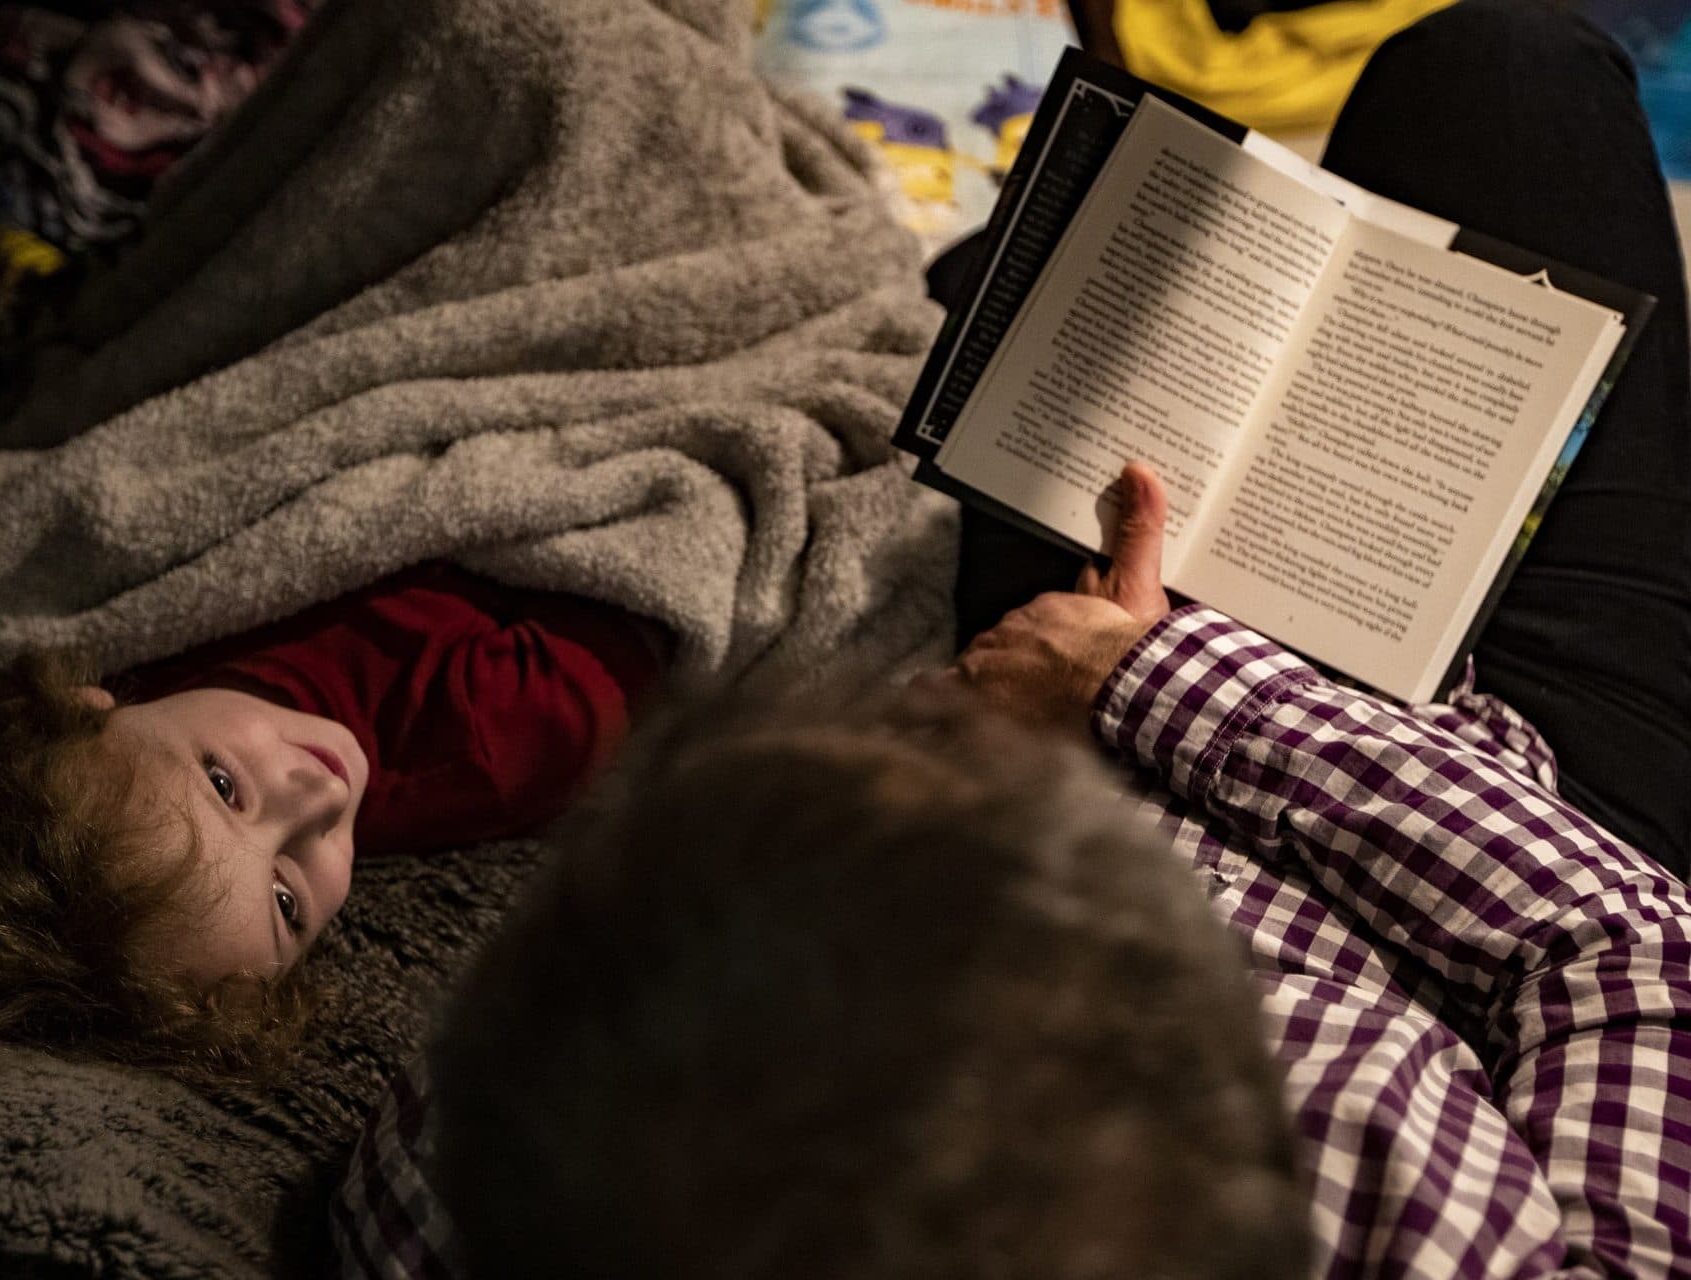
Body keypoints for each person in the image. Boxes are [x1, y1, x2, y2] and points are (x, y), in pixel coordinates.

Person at [332, 2, 1691, 1276]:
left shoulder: (506, 1155)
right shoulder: (1354, 1146)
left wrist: (970, 745)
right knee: (1505, 71)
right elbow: (1619, 947)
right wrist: (1145, 680)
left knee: (1037, 286)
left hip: (1075, 729)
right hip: (1521, 818)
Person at [0, 559, 667, 1080]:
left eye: (224, 786)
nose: (318, 800)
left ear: (83, 708)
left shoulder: (110, 602)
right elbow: (648, 582)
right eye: (287, 904)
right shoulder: (511, 728)